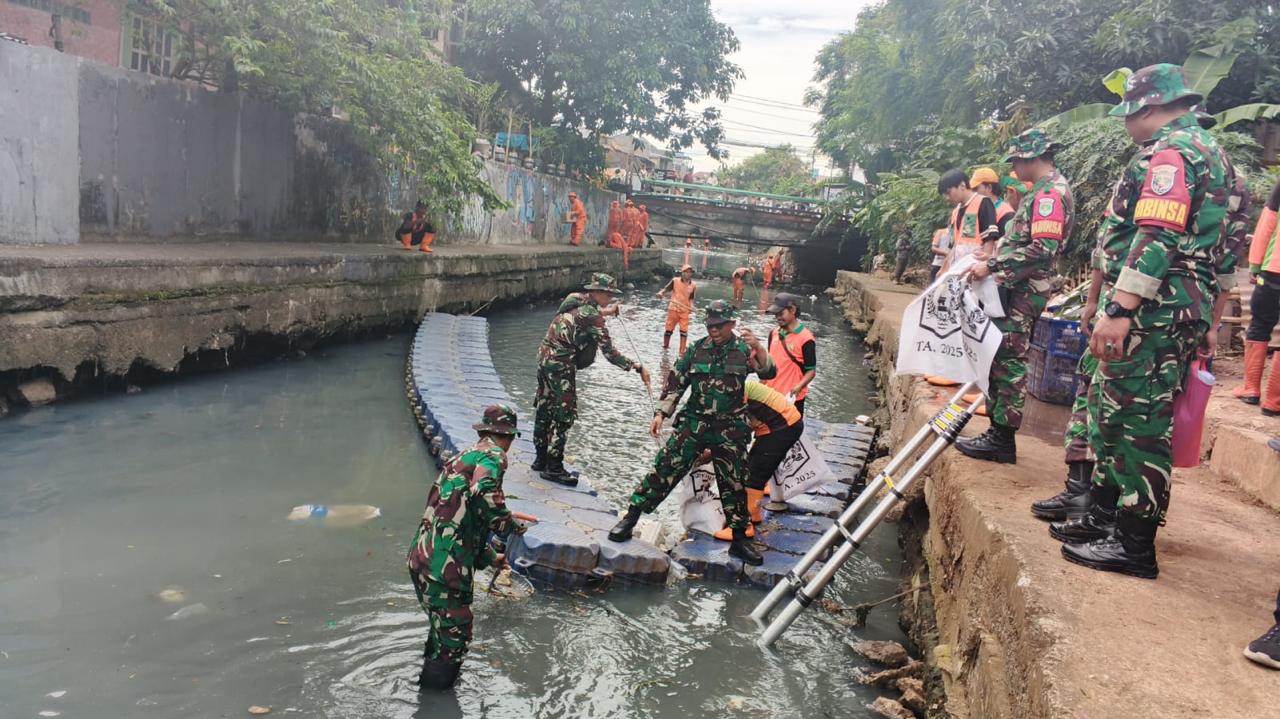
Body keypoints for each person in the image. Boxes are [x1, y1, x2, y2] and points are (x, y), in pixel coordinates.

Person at [1059, 63, 1233, 578]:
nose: (1126, 126)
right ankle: (1113, 525)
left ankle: (1134, 546)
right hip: (1175, 305)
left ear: (1148, 108)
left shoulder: (1172, 155)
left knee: (1137, 424)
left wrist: (1120, 309)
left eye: (1128, 115)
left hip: (1154, 309)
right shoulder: (1210, 152)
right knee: (1120, 414)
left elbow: (1158, 234)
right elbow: (1223, 245)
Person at [607, 301, 775, 566]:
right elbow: (676, 383)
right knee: (665, 468)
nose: (714, 330)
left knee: (735, 482)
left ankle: (740, 539)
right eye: (710, 325)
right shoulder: (696, 350)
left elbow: (769, 371)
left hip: (730, 428)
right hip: (694, 424)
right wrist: (661, 414)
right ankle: (631, 517)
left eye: (719, 325)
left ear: (731, 324)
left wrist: (759, 347)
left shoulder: (744, 350)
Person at [959, 128, 1074, 465]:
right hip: (1015, 286)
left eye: (1017, 161)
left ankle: (1002, 439)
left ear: (1032, 158)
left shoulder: (1050, 194)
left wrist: (993, 264)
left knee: (1009, 358)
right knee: (1000, 355)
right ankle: (997, 431)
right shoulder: (1041, 191)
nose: (1014, 169)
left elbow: (1042, 248)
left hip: (1025, 290)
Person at [407, 405, 534, 690]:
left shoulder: (462, 458)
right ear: (509, 437)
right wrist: (510, 525)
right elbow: (485, 490)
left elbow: (462, 518)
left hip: (423, 560)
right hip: (443, 570)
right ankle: (434, 704)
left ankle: (426, 689)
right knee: (456, 638)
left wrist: (492, 557)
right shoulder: (494, 455)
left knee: (442, 633)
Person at [533, 274, 651, 485]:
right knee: (564, 414)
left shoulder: (574, 299)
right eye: (608, 295)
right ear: (597, 292)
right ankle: (554, 467)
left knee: (544, 406)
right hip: (561, 363)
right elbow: (610, 352)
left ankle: (540, 459)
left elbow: (583, 315)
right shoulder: (594, 318)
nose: (610, 298)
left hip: (544, 357)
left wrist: (606, 312)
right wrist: (635, 366)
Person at [710, 379, 804, 540]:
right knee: (754, 468)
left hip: (781, 427)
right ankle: (753, 514)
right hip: (781, 423)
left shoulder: (733, 390)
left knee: (755, 475)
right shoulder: (733, 382)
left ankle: (744, 526)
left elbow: (739, 432)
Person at [1232, 175, 1280, 413]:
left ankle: (1251, 388)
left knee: (1260, 324)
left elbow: (1267, 223)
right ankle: (1274, 401)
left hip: (1273, 268)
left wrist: (1255, 264)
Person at [764, 292, 817, 415]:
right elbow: (769, 362)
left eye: (781, 313)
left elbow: (811, 371)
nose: (777, 317)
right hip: (770, 395)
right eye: (776, 314)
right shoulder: (773, 333)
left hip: (792, 397)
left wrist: (799, 386)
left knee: (790, 432)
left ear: (792, 310)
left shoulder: (806, 339)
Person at [938, 168, 1000, 270]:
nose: (947, 198)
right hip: (958, 269)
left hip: (976, 268)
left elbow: (989, 240)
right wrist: (943, 269)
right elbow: (954, 245)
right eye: (944, 195)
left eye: (948, 192)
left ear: (962, 185)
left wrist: (984, 267)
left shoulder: (983, 203)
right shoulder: (956, 211)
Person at [656, 264, 697, 354]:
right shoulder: (675, 281)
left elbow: (691, 299)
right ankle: (665, 347)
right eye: (686, 272)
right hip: (673, 309)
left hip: (684, 311)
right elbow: (665, 289)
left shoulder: (693, 285)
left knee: (684, 331)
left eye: (690, 272)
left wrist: (692, 307)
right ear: (682, 273)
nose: (688, 274)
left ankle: (681, 351)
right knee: (669, 330)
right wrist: (661, 293)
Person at [971, 167, 1015, 235]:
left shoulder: (1006, 213)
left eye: (976, 189)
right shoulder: (973, 210)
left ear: (989, 188)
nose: (973, 192)